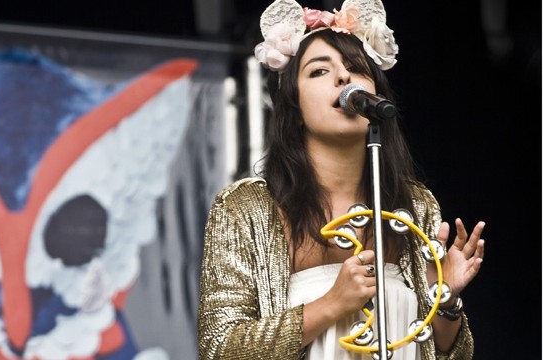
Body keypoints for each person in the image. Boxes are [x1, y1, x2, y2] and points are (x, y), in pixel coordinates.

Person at [196, 0, 486, 359]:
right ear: (294, 108)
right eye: (319, 71)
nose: (344, 77)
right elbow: (219, 349)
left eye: (355, 68)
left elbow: (448, 353)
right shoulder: (246, 207)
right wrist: (331, 304)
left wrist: (445, 298)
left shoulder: (414, 204)